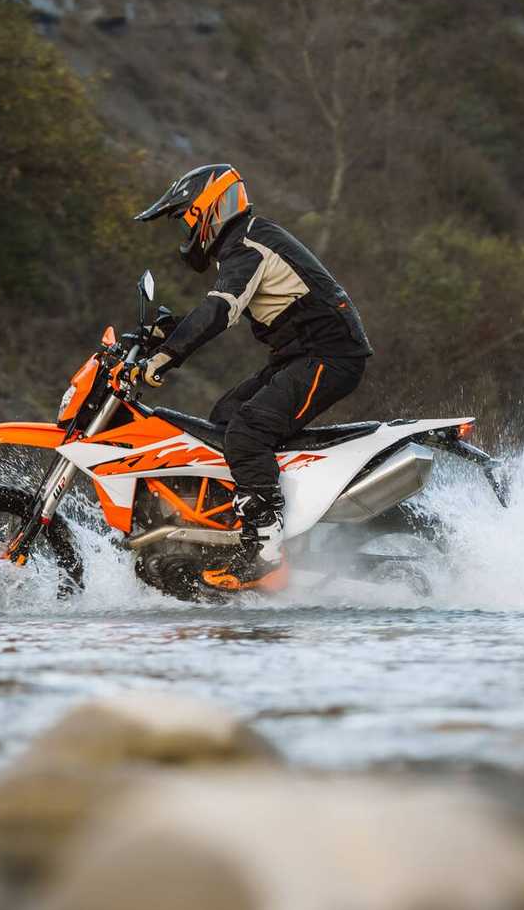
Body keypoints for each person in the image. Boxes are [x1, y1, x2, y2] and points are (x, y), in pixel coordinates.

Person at [128, 164, 372, 592]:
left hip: (330, 357)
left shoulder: (249, 245)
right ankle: (232, 532)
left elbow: (221, 309)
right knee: (223, 419)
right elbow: (220, 306)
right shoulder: (246, 242)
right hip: (300, 356)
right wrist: (163, 335)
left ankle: (266, 546)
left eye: (185, 216)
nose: (185, 229)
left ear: (209, 209)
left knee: (246, 431)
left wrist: (164, 358)